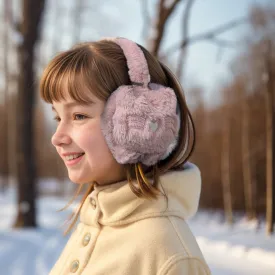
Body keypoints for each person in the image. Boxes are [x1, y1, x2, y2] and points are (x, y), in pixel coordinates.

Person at [40, 37, 211, 275]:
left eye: (78, 116)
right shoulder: (96, 223)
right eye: (58, 118)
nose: (57, 137)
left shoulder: (169, 255)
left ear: (139, 122)